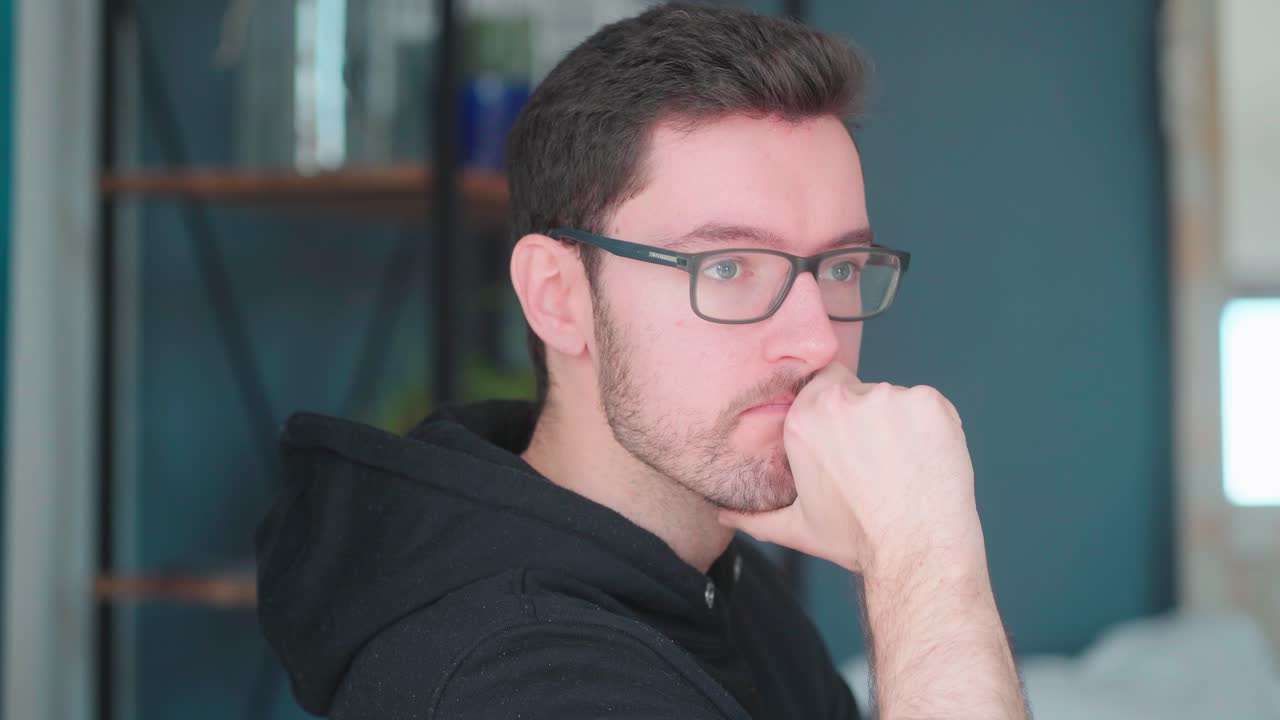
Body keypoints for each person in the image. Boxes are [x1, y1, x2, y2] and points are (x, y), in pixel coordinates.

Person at [256, 4, 1027, 719]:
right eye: (726, 267)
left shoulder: (726, 589)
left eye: (840, 267)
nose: (818, 340)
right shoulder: (514, 677)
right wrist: (926, 556)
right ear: (558, 297)